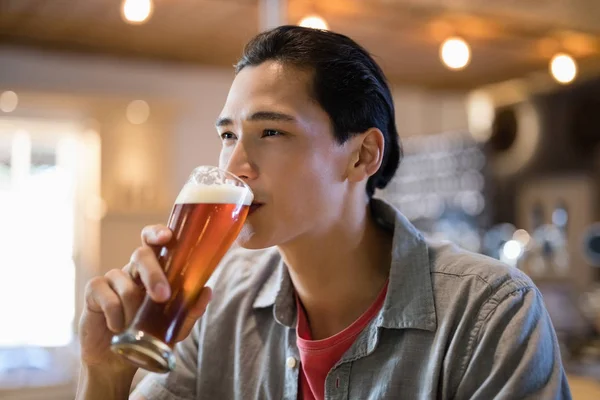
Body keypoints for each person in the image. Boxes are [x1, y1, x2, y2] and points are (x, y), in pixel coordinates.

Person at [76, 25, 572, 400]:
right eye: (228, 135)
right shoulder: (215, 303)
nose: (234, 166)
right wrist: (105, 370)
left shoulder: (490, 312)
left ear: (362, 156)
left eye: (271, 132)